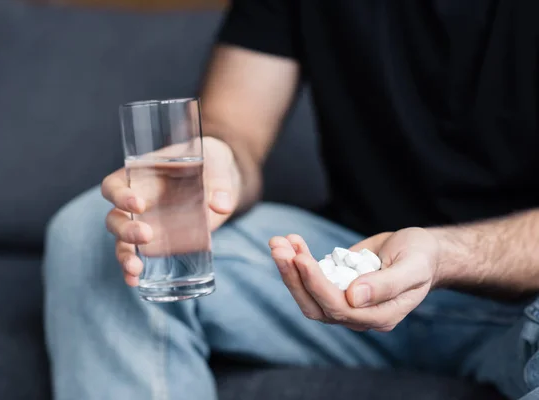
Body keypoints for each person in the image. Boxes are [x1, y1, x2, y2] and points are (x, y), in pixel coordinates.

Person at [43, 1, 539, 399]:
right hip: (342, 271)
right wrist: (218, 163)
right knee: (97, 233)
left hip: (522, 303)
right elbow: (235, 126)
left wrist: (444, 256)